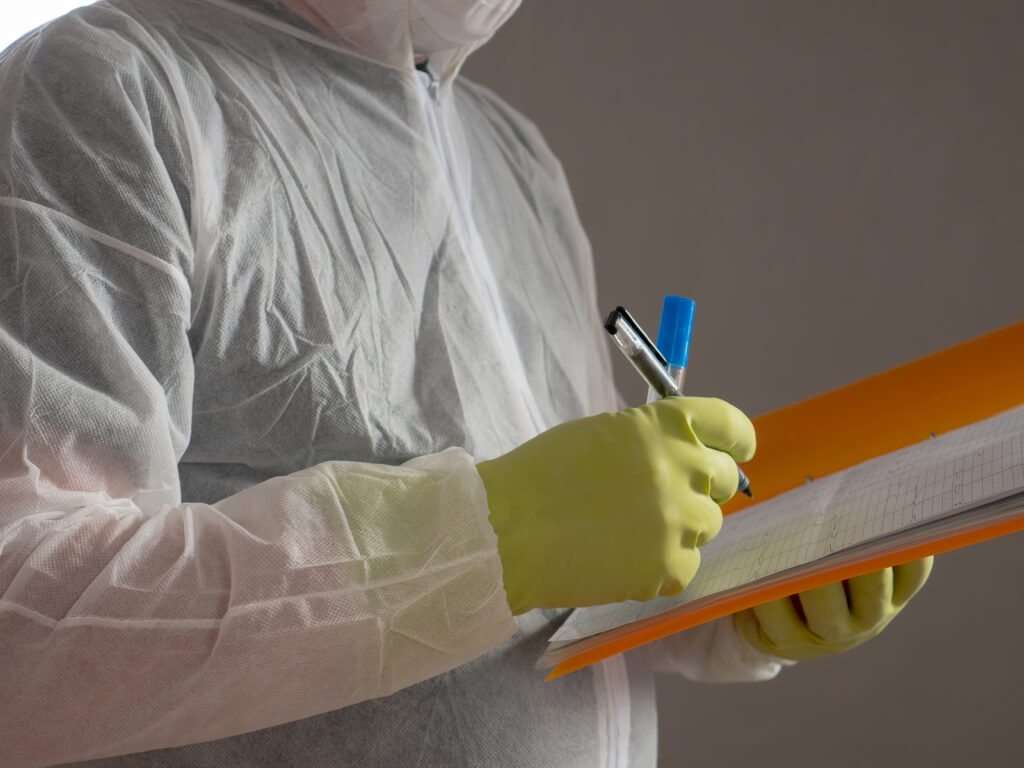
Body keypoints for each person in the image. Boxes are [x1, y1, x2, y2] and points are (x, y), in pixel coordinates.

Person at [0, 1, 932, 765]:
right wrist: (498, 532)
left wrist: (736, 599)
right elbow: (29, 630)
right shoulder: (107, 85)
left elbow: (566, 576)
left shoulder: (512, 155)